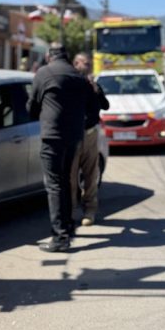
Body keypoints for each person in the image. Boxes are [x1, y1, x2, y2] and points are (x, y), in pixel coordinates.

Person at [27, 44, 91, 252]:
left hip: (52, 137)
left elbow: (32, 106)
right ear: (67, 56)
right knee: (64, 182)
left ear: (48, 56)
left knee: (54, 185)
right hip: (73, 137)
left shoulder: (44, 73)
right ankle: (68, 227)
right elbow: (92, 106)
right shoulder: (78, 75)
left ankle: (60, 237)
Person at [69, 53, 110, 227]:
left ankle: (89, 211)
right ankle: (69, 213)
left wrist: (96, 90)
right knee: (70, 176)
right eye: (82, 63)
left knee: (91, 175)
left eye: (88, 64)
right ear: (74, 64)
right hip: (72, 135)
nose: (86, 66)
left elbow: (106, 105)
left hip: (91, 134)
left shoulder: (93, 86)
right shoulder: (69, 85)